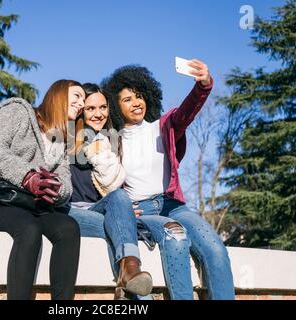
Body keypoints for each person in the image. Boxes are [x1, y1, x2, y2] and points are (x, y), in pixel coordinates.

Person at [101, 61, 235, 300]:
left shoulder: (162, 127)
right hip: (142, 212)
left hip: (174, 206)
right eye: (127, 99)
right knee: (175, 237)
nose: (136, 103)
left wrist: (202, 86)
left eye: (139, 96)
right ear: (115, 106)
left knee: (215, 249)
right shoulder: (112, 142)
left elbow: (187, 111)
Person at [0, 80, 84, 300]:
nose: (81, 103)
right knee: (28, 228)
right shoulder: (18, 111)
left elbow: (65, 185)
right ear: (58, 94)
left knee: (68, 227)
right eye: (77, 96)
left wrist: (53, 188)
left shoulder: (62, 141)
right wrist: (27, 176)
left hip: (29, 206)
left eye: (83, 99)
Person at [65, 83, 153, 298]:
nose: (98, 114)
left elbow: (114, 185)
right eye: (90, 109)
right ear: (81, 111)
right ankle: (134, 284)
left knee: (121, 197)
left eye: (102, 107)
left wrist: (98, 145)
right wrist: (124, 219)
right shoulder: (63, 137)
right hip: (69, 212)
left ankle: (130, 273)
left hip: (98, 210)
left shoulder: (108, 142)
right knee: (119, 230)